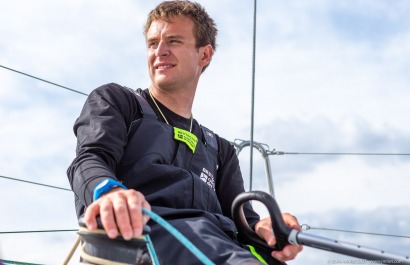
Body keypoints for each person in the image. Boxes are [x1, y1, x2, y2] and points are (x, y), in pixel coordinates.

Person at [67, 1, 303, 264]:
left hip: (217, 244)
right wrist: (110, 192)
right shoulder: (118, 102)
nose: (160, 51)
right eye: (152, 43)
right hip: (142, 235)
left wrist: (267, 231)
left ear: (204, 55)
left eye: (174, 41)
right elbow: (89, 160)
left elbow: (244, 223)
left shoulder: (220, 151)